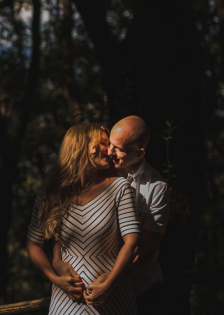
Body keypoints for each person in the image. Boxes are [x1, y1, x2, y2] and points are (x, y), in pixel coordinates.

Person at [53, 116, 170, 313]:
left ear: (139, 153)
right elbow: (68, 227)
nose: (109, 151)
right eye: (109, 144)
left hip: (141, 288)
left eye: (118, 148)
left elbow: (148, 248)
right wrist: (57, 261)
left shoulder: (156, 189)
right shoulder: (96, 171)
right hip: (93, 287)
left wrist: (112, 282)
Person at [27, 122, 141, 314]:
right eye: (105, 143)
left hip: (113, 302)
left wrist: (109, 285)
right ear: (82, 146)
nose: (110, 150)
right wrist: (54, 278)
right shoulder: (51, 194)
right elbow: (33, 243)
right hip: (65, 305)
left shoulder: (119, 188)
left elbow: (133, 244)